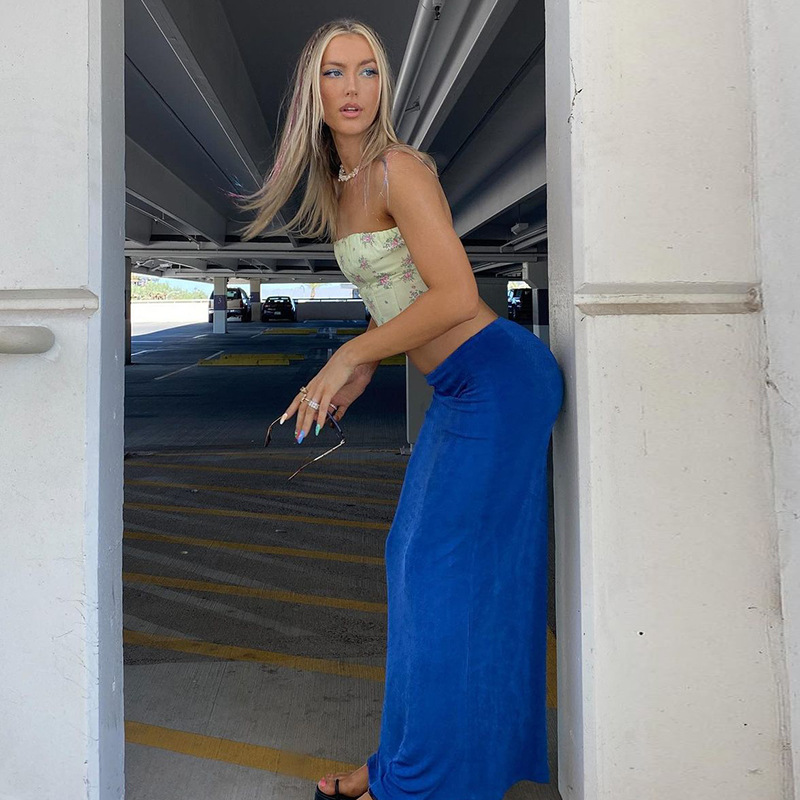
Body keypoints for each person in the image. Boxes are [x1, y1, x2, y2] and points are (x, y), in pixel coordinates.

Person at [235, 18, 564, 800]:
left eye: (368, 71)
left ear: (385, 84)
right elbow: (398, 294)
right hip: (459, 385)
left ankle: (412, 780)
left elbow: (455, 295)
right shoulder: (343, 181)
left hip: (497, 379)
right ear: (312, 91)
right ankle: (406, 766)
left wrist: (351, 354)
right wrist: (367, 366)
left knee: (435, 572)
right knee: (417, 563)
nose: (352, 89)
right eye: (335, 72)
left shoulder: (398, 169)